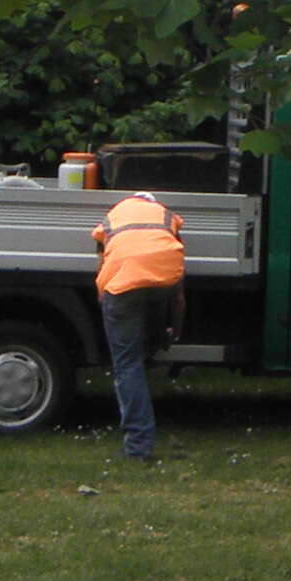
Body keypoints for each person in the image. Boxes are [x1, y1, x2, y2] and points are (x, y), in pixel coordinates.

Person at [92, 185, 188, 462]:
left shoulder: (113, 217)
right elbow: (179, 295)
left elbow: (102, 266)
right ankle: (155, 343)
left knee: (127, 364)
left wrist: (105, 304)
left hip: (122, 286)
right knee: (154, 301)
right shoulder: (166, 217)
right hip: (164, 281)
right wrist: (176, 330)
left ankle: (138, 447)